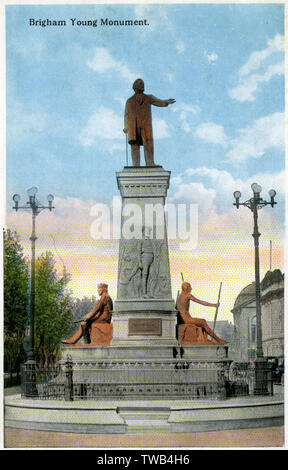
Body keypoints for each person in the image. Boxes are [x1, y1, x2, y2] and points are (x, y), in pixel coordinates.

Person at [124, 78, 175, 166]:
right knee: (134, 145)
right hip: (133, 125)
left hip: (145, 124)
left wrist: (166, 102)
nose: (142, 85)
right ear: (135, 87)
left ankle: (150, 162)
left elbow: (158, 101)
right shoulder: (129, 101)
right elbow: (126, 115)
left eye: (142, 83)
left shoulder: (148, 97)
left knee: (148, 142)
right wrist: (126, 127)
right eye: (140, 84)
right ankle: (136, 165)